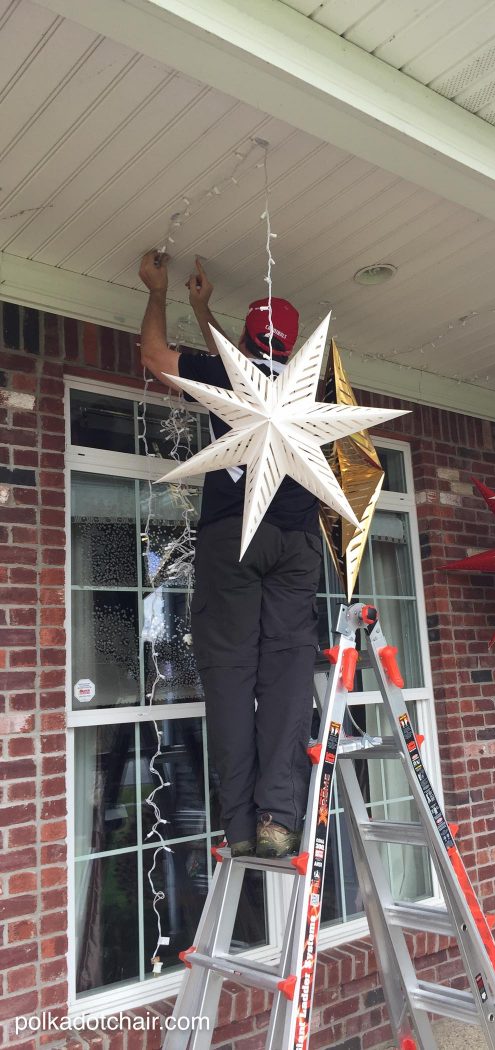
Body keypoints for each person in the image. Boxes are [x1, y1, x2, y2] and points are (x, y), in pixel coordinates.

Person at [138, 250, 322, 858]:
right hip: (296, 544)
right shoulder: (305, 393)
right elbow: (244, 359)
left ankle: (240, 827)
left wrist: (160, 293)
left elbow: (156, 359)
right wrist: (201, 307)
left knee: (231, 675)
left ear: (245, 337)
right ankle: (277, 818)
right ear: (294, 349)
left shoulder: (229, 379)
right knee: (288, 674)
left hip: (233, 538)